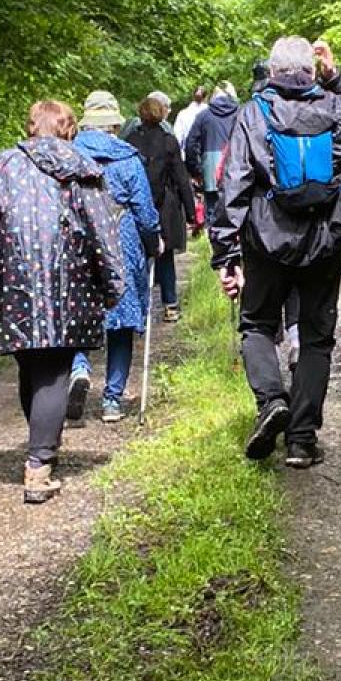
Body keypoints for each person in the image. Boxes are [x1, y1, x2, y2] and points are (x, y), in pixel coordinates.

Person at [0, 100, 124, 504]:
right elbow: (103, 232)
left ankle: (42, 446)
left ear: (32, 127)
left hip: (14, 285)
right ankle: (39, 464)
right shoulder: (83, 170)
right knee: (54, 368)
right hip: (70, 285)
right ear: (69, 129)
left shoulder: (1, 167)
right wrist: (112, 285)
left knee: (32, 364)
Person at [212, 37, 341, 469]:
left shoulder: (253, 113)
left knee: (257, 325)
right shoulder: (338, 109)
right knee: (317, 338)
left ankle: (271, 401)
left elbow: (235, 185)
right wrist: (335, 75)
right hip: (324, 243)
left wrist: (225, 252)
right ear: (311, 70)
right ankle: (301, 441)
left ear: (271, 70)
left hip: (267, 243)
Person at [68, 91, 162, 424]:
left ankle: (78, 368)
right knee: (121, 318)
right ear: (114, 123)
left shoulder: (68, 154)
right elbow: (145, 212)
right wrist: (154, 243)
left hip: (80, 238)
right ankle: (111, 400)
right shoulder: (127, 158)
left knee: (79, 310)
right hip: (122, 237)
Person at [125, 93, 193, 323]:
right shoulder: (168, 141)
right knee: (165, 259)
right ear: (161, 113)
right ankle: (170, 304)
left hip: (136, 207)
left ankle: (139, 308)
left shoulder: (130, 142)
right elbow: (182, 178)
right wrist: (191, 212)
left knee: (139, 257)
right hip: (164, 207)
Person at [184, 81, 239, 231]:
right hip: (234, 164)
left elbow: (190, 144)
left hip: (210, 167)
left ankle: (213, 241)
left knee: (212, 207)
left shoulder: (203, 116)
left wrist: (195, 169)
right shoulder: (239, 113)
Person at [173, 86, 208, 156]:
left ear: (193, 96)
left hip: (187, 154)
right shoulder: (210, 114)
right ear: (206, 98)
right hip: (206, 154)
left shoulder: (183, 113)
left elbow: (177, 136)